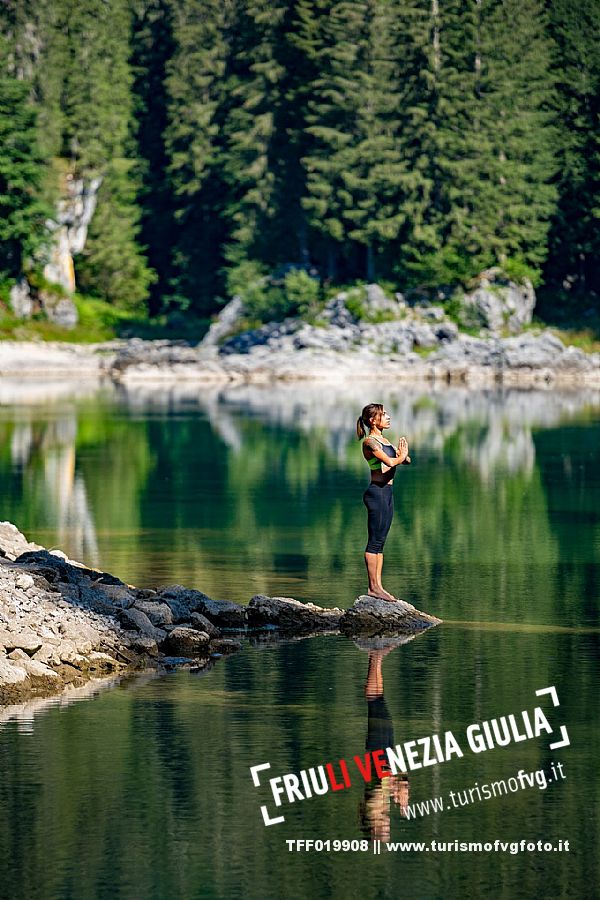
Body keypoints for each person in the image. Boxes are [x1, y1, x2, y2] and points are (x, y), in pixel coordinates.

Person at [356, 403, 410, 602]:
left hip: (387, 493)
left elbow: (405, 460)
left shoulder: (384, 440)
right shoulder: (370, 442)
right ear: (373, 420)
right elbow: (389, 462)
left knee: (381, 543)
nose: (388, 417)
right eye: (383, 414)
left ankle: (378, 586)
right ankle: (373, 588)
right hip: (376, 493)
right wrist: (400, 457)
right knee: (374, 542)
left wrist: (403, 455)